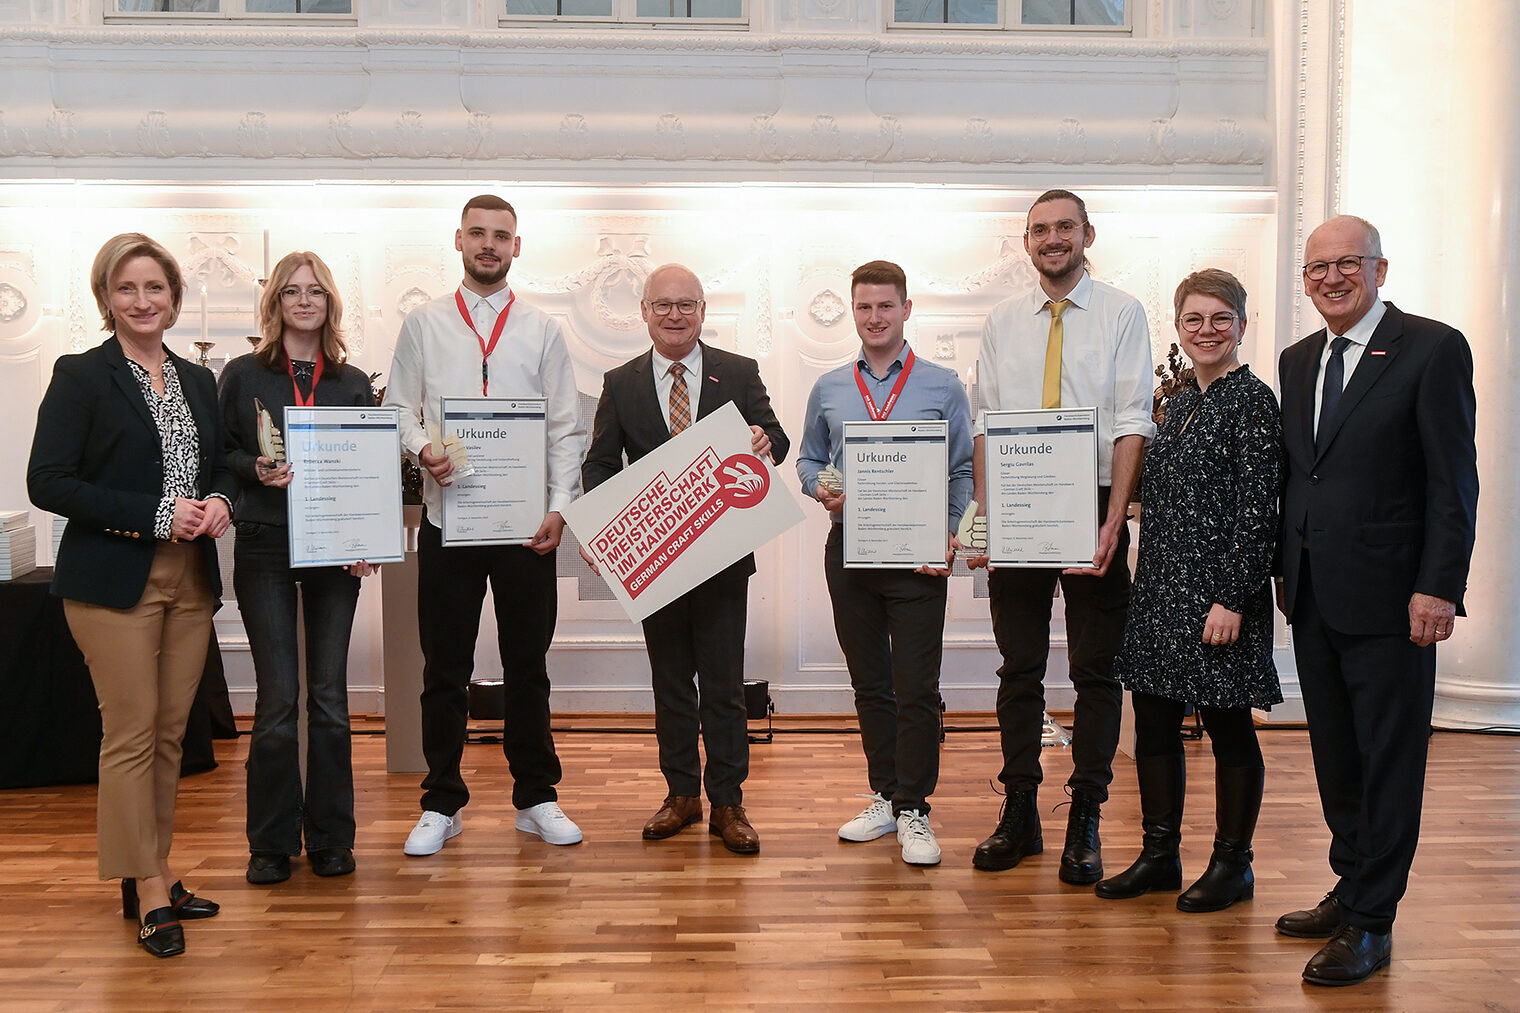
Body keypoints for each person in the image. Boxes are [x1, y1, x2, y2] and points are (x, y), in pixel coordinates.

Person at [1274, 215, 1477, 986]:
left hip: (1396, 600)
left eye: (1347, 263)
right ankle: (1351, 881)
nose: (1331, 277)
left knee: (1389, 758)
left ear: (1379, 269)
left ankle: (1372, 921)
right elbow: (1306, 474)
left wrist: (1440, 585)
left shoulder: (1432, 348)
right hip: (1313, 595)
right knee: (1336, 754)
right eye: (1317, 267)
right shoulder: (1299, 360)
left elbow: (1454, 480)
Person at [27, 233, 235, 957]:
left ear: (174, 297)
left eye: (155, 288)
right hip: (111, 579)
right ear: (106, 298)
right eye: (127, 288)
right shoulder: (81, 375)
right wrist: (153, 514)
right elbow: (48, 481)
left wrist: (220, 499)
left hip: (190, 578)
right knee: (132, 733)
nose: (142, 301)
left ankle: (155, 867)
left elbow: (222, 465)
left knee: (171, 733)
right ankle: (147, 887)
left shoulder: (198, 381)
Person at [383, 195, 587, 856]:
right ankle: (441, 802)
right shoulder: (424, 324)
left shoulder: (542, 329)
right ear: (459, 240)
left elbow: (565, 427)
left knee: (529, 666)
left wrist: (560, 506)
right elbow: (398, 408)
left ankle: (536, 797)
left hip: (527, 528)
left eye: (501, 235)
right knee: (444, 668)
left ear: (516, 247)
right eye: (478, 233)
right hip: (450, 521)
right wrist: (423, 448)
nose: (489, 245)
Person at [967, 189, 1155, 882]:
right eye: (1040, 230)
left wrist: (1115, 519)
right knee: (1018, 667)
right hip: (1018, 500)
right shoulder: (1003, 320)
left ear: (1087, 235)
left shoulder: (1122, 312)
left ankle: (1086, 816)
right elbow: (985, 423)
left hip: (1095, 501)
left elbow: (1133, 419)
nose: (1053, 239)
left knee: (1095, 670)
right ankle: (1019, 811)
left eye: (1065, 228)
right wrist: (985, 517)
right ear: (1027, 242)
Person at [581, 263, 788, 855]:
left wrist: (763, 441)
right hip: (656, 561)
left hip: (723, 558)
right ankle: (680, 796)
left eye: (686, 305)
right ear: (645, 312)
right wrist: (601, 525)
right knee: (670, 683)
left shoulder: (738, 372)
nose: (675, 315)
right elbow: (600, 463)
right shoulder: (620, 383)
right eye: (663, 305)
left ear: (702, 311)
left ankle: (728, 802)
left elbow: (776, 440)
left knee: (723, 685)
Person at [1095, 269, 1283, 910]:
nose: (1206, 331)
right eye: (1193, 320)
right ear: (1178, 328)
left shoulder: (1252, 401)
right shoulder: (1175, 405)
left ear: (1242, 326)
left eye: (1220, 319)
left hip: (1218, 599)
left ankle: (1233, 865)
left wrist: (1232, 598)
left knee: (1229, 728)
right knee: (1152, 723)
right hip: (1160, 590)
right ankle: (1159, 855)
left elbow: (1258, 511)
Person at [795, 260, 973, 866]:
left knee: (916, 686)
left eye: (885, 306)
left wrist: (951, 532)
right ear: (854, 311)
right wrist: (821, 486)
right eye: (864, 307)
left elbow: (961, 469)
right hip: (850, 552)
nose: (875, 318)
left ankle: (916, 808)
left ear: (906, 310)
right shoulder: (829, 388)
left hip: (919, 556)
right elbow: (808, 460)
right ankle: (887, 795)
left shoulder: (943, 386)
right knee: (870, 684)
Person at [218, 251, 379, 885]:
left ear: (329, 302)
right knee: (279, 699)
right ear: (275, 303)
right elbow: (219, 453)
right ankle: (271, 842)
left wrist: (366, 534)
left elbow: (368, 468)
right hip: (264, 546)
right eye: (291, 291)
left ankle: (332, 838)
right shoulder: (243, 375)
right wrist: (253, 469)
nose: (304, 301)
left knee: (331, 699)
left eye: (314, 291)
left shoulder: (351, 381)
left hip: (335, 552)